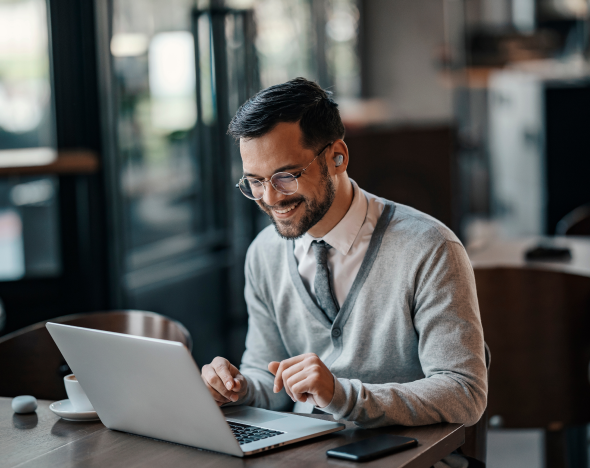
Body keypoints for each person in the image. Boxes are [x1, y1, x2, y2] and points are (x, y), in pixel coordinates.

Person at [200, 77, 487, 431]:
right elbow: (268, 378)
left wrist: (343, 395)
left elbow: (464, 393)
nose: (270, 199)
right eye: (255, 182)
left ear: (337, 156)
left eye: (285, 176)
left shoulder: (429, 247)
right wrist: (237, 389)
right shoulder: (264, 253)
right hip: (307, 455)